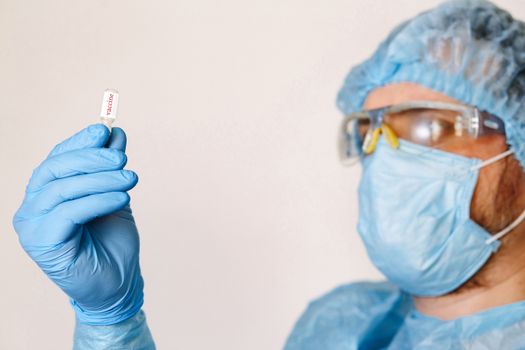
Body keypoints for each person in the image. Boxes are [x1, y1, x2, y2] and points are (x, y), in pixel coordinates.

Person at [11, 0, 525, 349]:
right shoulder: (337, 326)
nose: (385, 156)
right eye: (369, 130)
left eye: (428, 125)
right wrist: (112, 321)